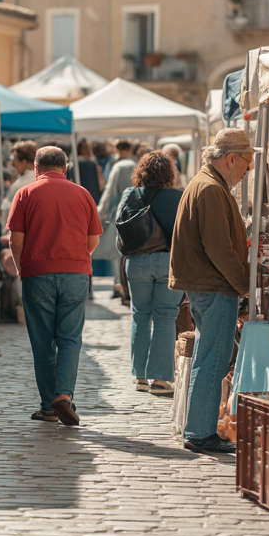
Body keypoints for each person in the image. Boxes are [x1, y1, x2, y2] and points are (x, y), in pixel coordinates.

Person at [170, 128, 254, 455]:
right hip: (214, 286)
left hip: (208, 284)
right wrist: (243, 284)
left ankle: (198, 428)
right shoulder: (210, 189)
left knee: (210, 358)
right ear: (231, 159)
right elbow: (219, 249)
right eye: (246, 161)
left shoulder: (207, 184)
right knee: (213, 360)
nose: (248, 168)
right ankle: (200, 432)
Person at [6, 146, 102, 425]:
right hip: (76, 273)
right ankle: (63, 395)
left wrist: (22, 269)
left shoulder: (25, 193)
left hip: (37, 274)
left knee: (43, 342)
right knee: (70, 339)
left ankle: (49, 408)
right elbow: (93, 239)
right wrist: (76, 259)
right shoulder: (83, 194)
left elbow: (15, 241)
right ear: (66, 167)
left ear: (36, 168)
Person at [116, 151, 183, 395]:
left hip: (137, 261)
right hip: (169, 262)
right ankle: (160, 380)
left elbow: (120, 229)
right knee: (166, 317)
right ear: (169, 173)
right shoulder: (178, 197)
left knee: (140, 316)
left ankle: (141, 377)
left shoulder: (130, 194)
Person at [96, 141, 148, 298]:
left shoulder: (119, 167)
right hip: (143, 216)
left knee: (118, 253)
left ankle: (122, 287)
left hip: (122, 216)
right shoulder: (140, 165)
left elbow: (110, 194)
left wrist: (99, 215)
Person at [0, 140, 36, 216]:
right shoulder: (32, 177)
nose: (12, 163)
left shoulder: (25, 182)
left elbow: (9, 209)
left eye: (14, 158)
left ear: (24, 161)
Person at [68, 138, 105, 204]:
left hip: (76, 198)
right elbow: (101, 184)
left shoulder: (72, 163)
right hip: (93, 198)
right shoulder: (94, 164)